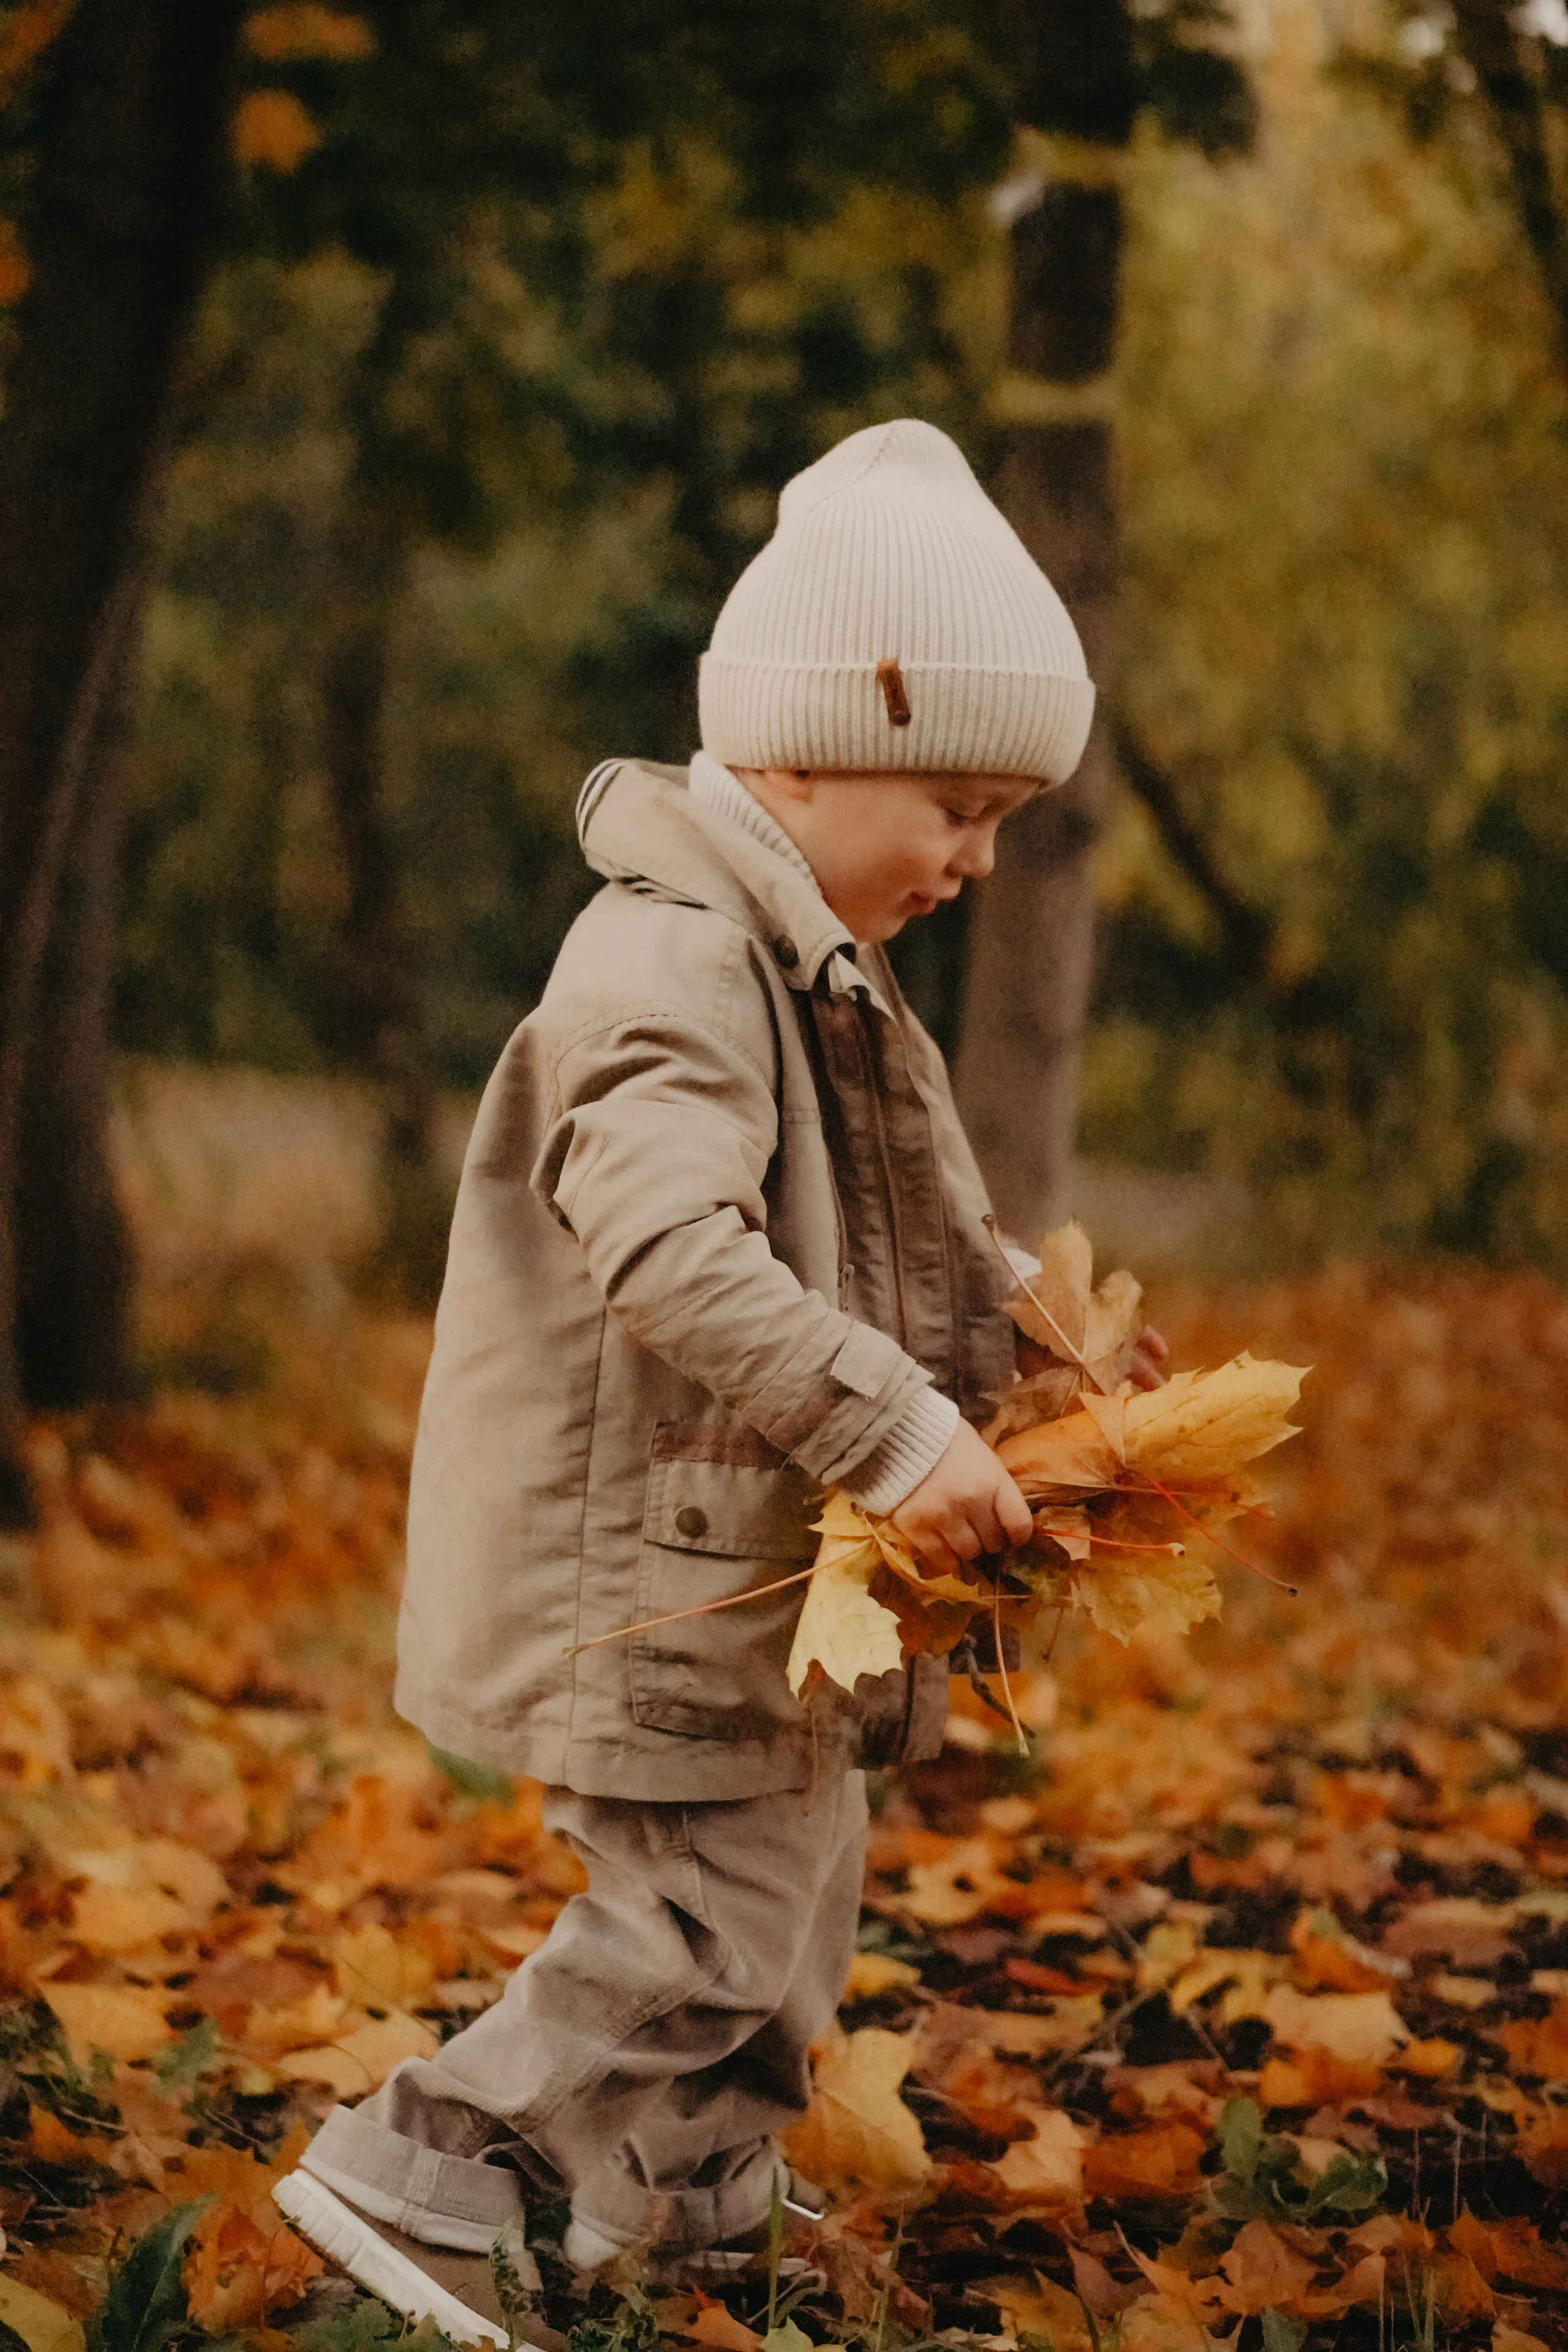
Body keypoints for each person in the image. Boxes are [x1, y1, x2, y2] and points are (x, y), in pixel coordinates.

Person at [274, 418, 1166, 2342]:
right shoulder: (671, 962)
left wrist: (1023, 1332)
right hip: (652, 1570)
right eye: (962, 805)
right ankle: (428, 2180)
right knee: (698, 1929)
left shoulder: (807, 966)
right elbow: (674, 1244)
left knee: (789, 1918)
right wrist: (896, 1425)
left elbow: (870, 1220)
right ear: (824, 740)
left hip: (747, 1573)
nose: (980, 860)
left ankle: (678, 2215)